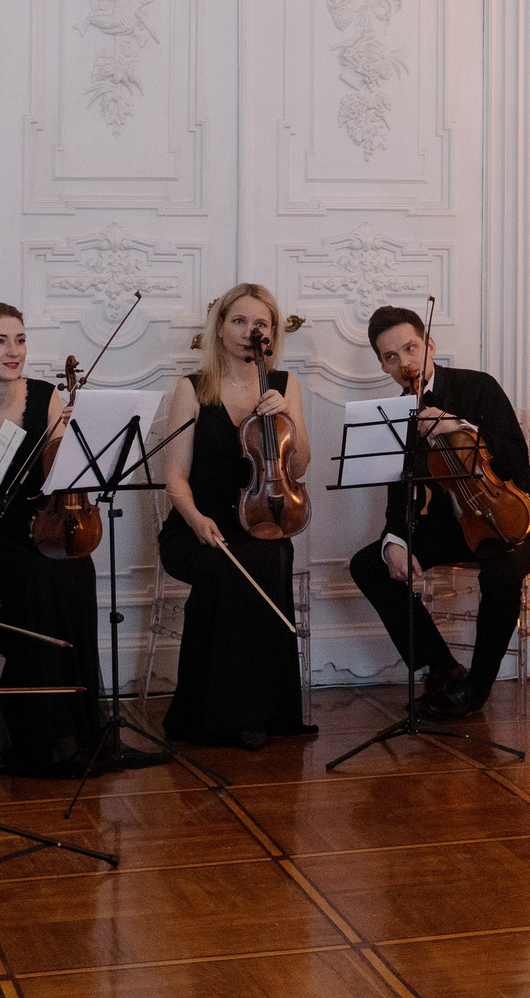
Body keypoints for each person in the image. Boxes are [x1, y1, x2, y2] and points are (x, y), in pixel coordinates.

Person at [0, 300, 123, 775]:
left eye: (20, 339)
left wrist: (74, 438)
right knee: (37, 581)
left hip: (40, 529)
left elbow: (62, 478)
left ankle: (74, 729)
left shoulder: (44, 395)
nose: (13, 351)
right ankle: (40, 737)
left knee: (76, 568)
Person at [346, 306, 530, 718]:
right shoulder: (397, 415)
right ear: (382, 363)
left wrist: (458, 425)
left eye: (411, 348)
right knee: (368, 564)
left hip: (518, 515)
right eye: (391, 357)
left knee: (501, 570)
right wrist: (394, 541)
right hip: (461, 523)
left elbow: (516, 456)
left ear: (429, 344)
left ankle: (475, 689)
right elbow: (401, 489)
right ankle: (443, 667)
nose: (404, 362)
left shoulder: (477, 387)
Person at [157, 283, 316, 750]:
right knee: (229, 570)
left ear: (271, 333)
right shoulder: (193, 389)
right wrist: (194, 518)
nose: (251, 331)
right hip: (196, 526)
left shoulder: (285, 385)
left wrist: (288, 415)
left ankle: (258, 711)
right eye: (240, 321)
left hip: (261, 516)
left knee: (269, 559)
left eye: (260, 323)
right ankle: (212, 713)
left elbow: (300, 465)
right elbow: (175, 474)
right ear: (221, 327)